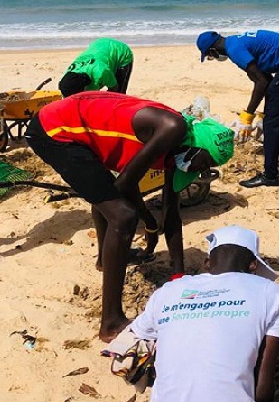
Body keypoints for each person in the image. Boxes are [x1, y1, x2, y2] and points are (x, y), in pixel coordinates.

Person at [24, 91, 234, 341]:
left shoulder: (176, 149)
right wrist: (147, 222)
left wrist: (178, 276)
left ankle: (105, 259)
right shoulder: (172, 128)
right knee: (122, 216)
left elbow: (171, 211)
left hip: (82, 134)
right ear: (198, 146)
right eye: (204, 162)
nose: (201, 170)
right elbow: (124, 185)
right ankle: (111, 322)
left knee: (106, 198)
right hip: (55, 131)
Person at [122, 225, 279, 402]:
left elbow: (133, 338)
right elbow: (263, 393)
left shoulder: (169, 291)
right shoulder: (270, 292)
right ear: (253, 265)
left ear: (207, 264)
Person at [197, 30, 279, 188]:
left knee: (272, 124)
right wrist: (263, 113)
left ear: (213, 50)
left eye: (210, 56)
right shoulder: (236, 41)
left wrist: (247, 116)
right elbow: (268, 81)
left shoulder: (234, 50)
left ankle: (270, 176)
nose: (213, 58)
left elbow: (261, 82)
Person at [58, 38, 134, 97]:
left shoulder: (100, 72)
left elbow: (114, 87)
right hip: (98, 45)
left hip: (120, 51)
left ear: (83, 89)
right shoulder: (68, 77)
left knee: (118, 95)